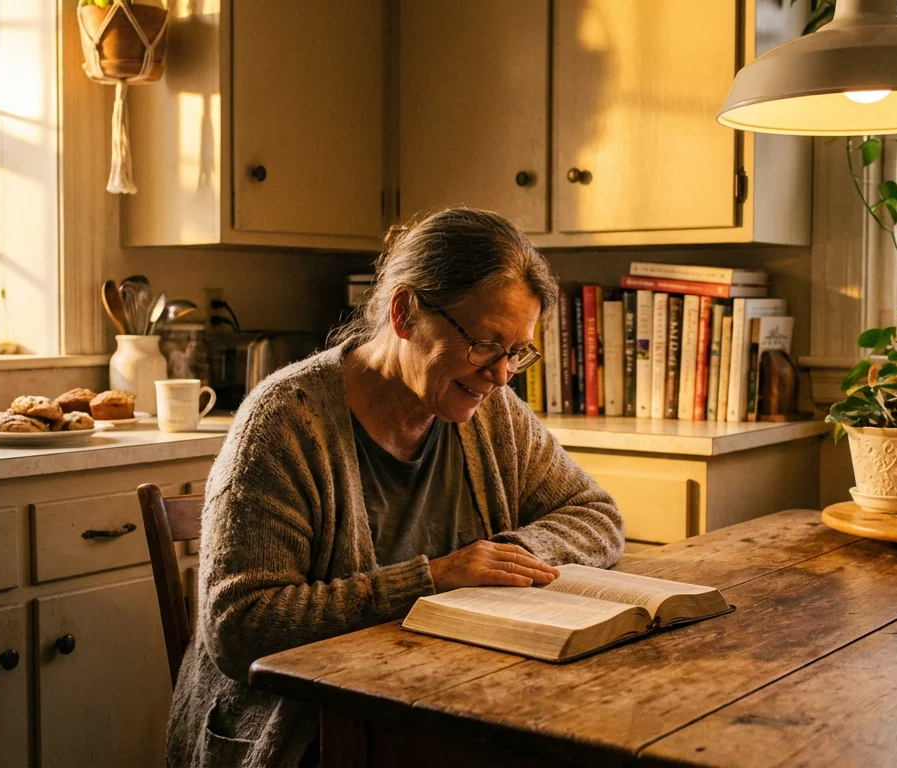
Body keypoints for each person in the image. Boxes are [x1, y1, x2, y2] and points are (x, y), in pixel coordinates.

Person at [167, 207, 626, 767]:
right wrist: (434, 579)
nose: (502, 374)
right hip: (300, 735)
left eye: (516, 353)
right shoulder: (285, 422)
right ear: (406, 312)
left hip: (444, 703)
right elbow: (240, 627)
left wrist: (508, 559)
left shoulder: (493, 413)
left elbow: (595, 514)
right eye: (485, 344)